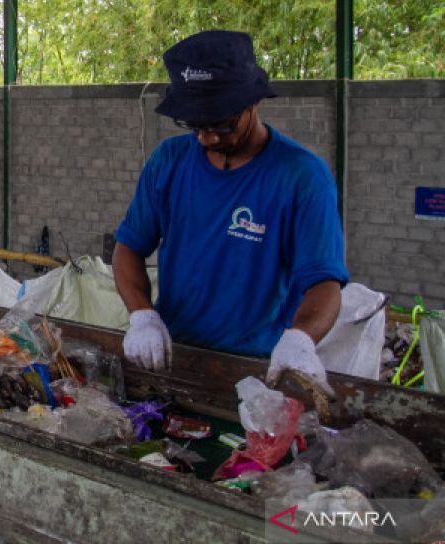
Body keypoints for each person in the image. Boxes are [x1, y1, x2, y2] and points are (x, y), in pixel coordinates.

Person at [113, 30, 347, 392]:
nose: (207, 138)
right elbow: (128, 247)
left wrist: (300, 339)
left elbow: (324, 282)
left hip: (258, 370)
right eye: (196, 126)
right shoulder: (168, 162)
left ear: (252, 102)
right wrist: (142, 315)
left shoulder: (301, 177)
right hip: (174, 357)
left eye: (221, 124)